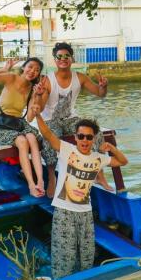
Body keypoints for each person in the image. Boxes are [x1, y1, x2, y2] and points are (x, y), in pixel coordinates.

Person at [31, 102, 128, 279]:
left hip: (85, 213)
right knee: (63, 255)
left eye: (89, 137)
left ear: (94, 139)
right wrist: (37, 115)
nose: (84, 140)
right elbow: (46, 134)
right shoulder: (66, 150)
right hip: (64, 212)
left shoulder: (98, 158)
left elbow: (122, 161)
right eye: (81, 136)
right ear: (75, 137)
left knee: (87, 255)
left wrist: (112, 148)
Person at [34, 42, 112, 198]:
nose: (63, 59)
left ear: (72, 58)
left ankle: (99, 175)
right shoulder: (48, 80)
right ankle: (51, 177)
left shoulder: (80, 78)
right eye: (59, 57)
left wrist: (103, 86)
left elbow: (100, 93)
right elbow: (41, 108)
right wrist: (39, 94)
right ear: (55, 60)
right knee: (50, 140)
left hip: (71, 118)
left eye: (66, 56)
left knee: (94, 133)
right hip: (51, 120)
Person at [0, 58, 45, 197]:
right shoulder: (11, 78)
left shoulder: (32, 89)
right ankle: (31, 185)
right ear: (23, 67)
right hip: (3, 124)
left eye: (37, 70)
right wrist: (4, 69)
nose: (32, 71)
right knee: (22, 141)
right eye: (30, 67)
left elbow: (30, 117)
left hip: (19, 123)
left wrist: (37, 96)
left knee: (32, 137)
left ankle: (40, 181)